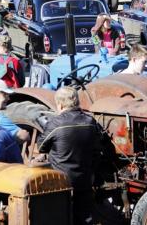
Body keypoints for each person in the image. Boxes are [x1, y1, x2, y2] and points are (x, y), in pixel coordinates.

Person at [38, 86, 101, 225]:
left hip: (61, 180)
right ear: (77, 102)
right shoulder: (90, 122)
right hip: (85, 177)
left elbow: (41, 146)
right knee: (85, 216)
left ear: (59, 104)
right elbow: (97, 149)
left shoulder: (55, 123)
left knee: (61, 216)